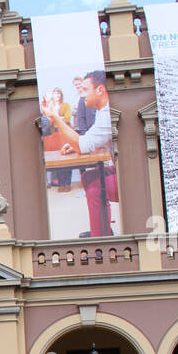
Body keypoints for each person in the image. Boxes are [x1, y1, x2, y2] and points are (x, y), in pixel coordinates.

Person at [42, 69, 118, 237]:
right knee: (88, 177)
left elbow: (83, 145)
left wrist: (55, 117)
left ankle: (100, 240)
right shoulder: (102, 111)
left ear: (100, 90)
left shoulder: (107, 114)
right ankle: (103, 230)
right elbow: (90, 140)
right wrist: (77, 144)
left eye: (85, 89)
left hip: (128, 177)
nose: (81, 95)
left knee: (96, 187)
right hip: (121, 169)